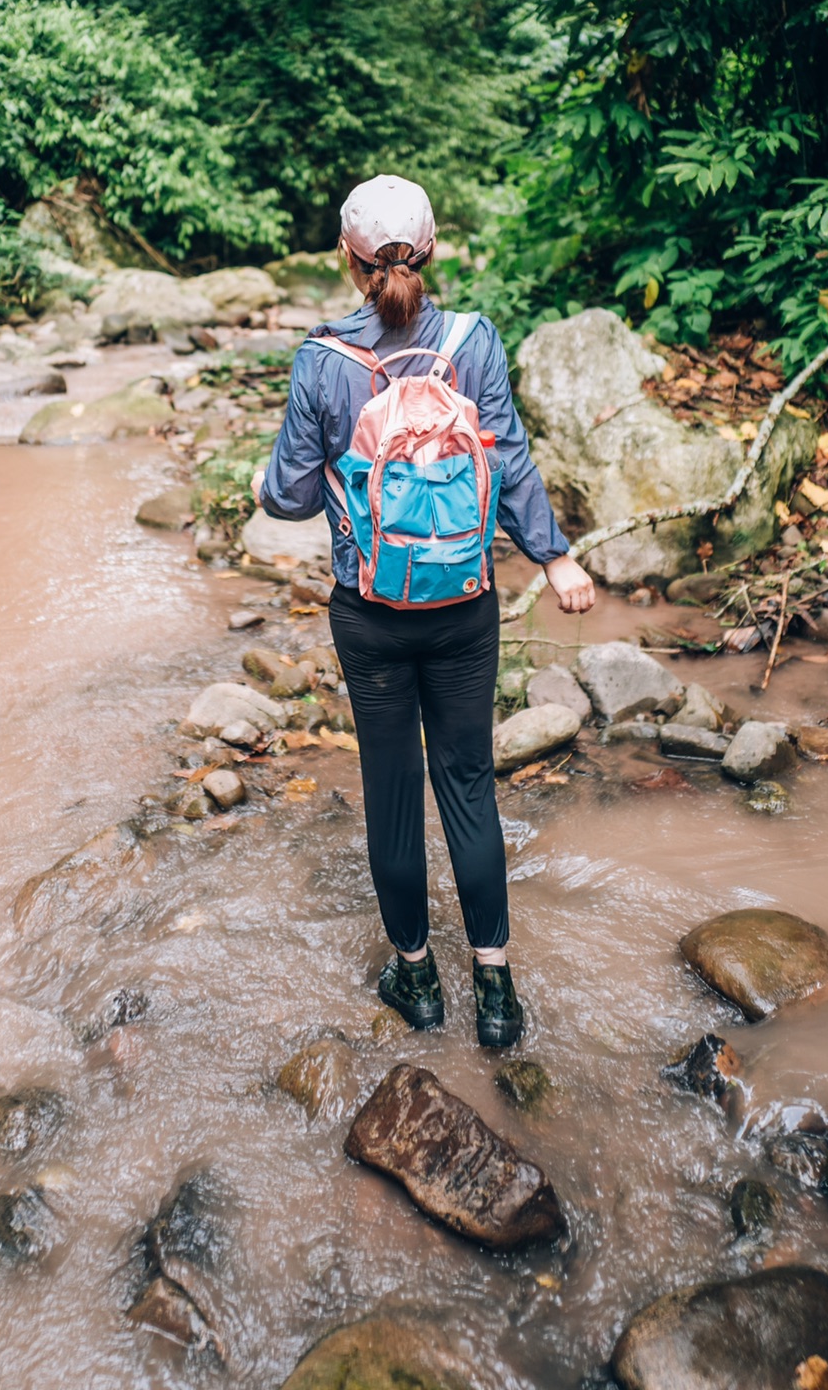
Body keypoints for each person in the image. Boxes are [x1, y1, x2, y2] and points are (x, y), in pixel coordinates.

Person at [252, 176, 594, 1048]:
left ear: (347, 260)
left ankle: (416, 980)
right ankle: (496, 992)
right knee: (469, 784)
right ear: (432, 250)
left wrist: (265, 479)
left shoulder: (322, 360)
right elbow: (508, 463)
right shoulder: (472, 342)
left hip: (369, 612)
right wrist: (554, 557)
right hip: (466, 606)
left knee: (394, 792)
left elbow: (291, 499)